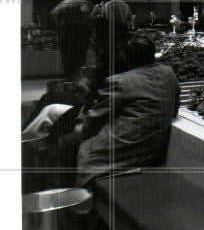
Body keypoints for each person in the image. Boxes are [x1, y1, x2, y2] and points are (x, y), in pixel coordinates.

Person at [56, 35, 180, 186]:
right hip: (152, 148)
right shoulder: (169, 74)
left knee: (66, 142)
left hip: (124, 150)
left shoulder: (120, 81)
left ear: (127, 58)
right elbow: (174, 109)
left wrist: (80, 125)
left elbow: (94, 120)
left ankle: (73, 198)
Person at [90, 0, 134, 87]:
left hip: (112, 36)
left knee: (112, 60)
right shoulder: (99, 7)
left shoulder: (114, 5)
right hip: (109, 36)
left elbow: (128, 19)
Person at [50, 0, 92, 80]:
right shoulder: (84, 3)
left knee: (66, 56)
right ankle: (78, 78)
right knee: (80, 56)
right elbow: (89, 16)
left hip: (65, 33)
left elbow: (54, 14)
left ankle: (68, 77)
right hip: (80, 33)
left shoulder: (63, 3)